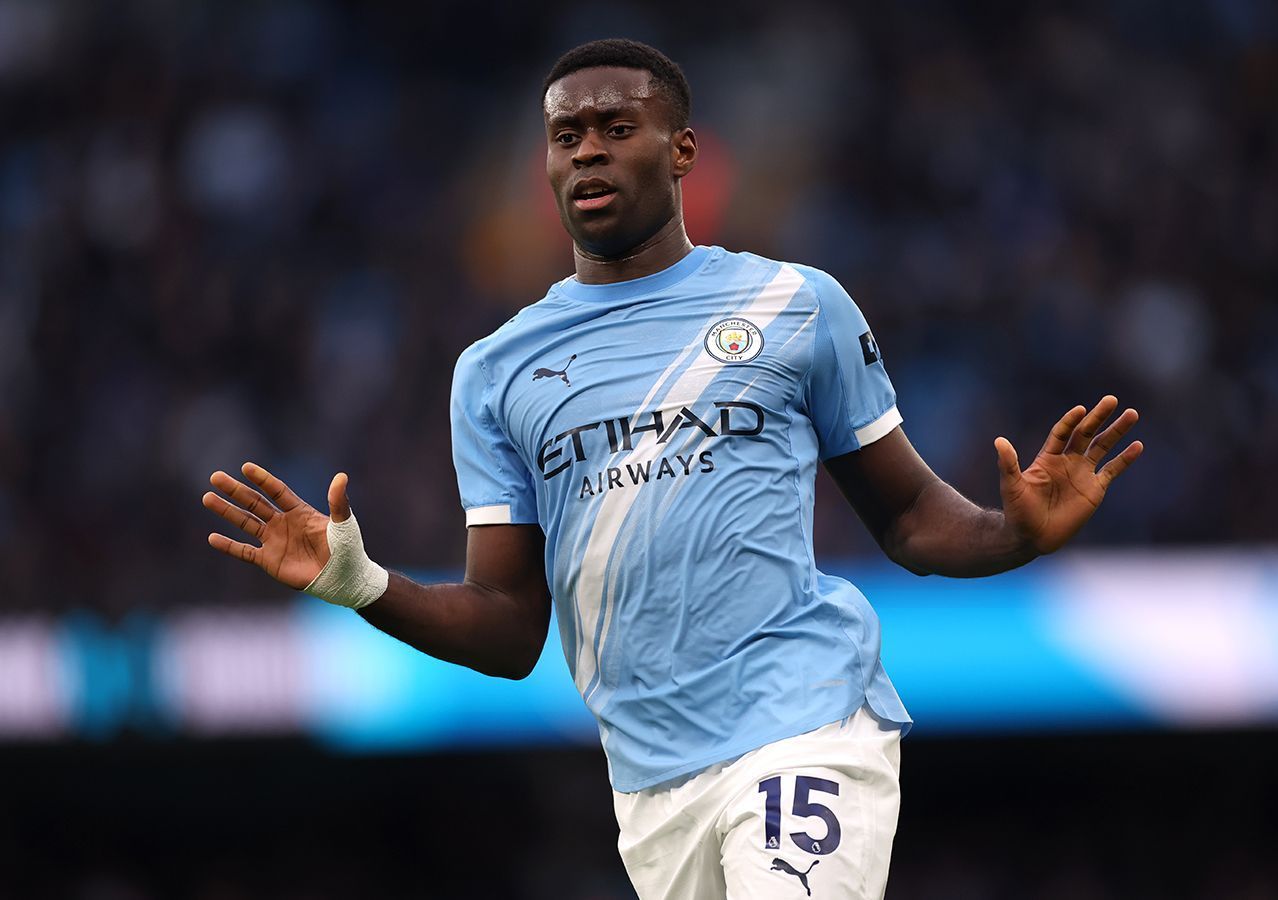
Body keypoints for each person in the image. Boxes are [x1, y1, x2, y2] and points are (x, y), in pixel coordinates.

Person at [201, 38, 1142, 899]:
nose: (588, 152)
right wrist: (362, 585)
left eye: (618, 129)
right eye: (566, 136)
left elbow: (908, 518)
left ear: (683, 150)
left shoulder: (793, 304)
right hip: (652, 786)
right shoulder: (494, 372)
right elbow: (508, 627)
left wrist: (1012, 534)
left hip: (804, 724)